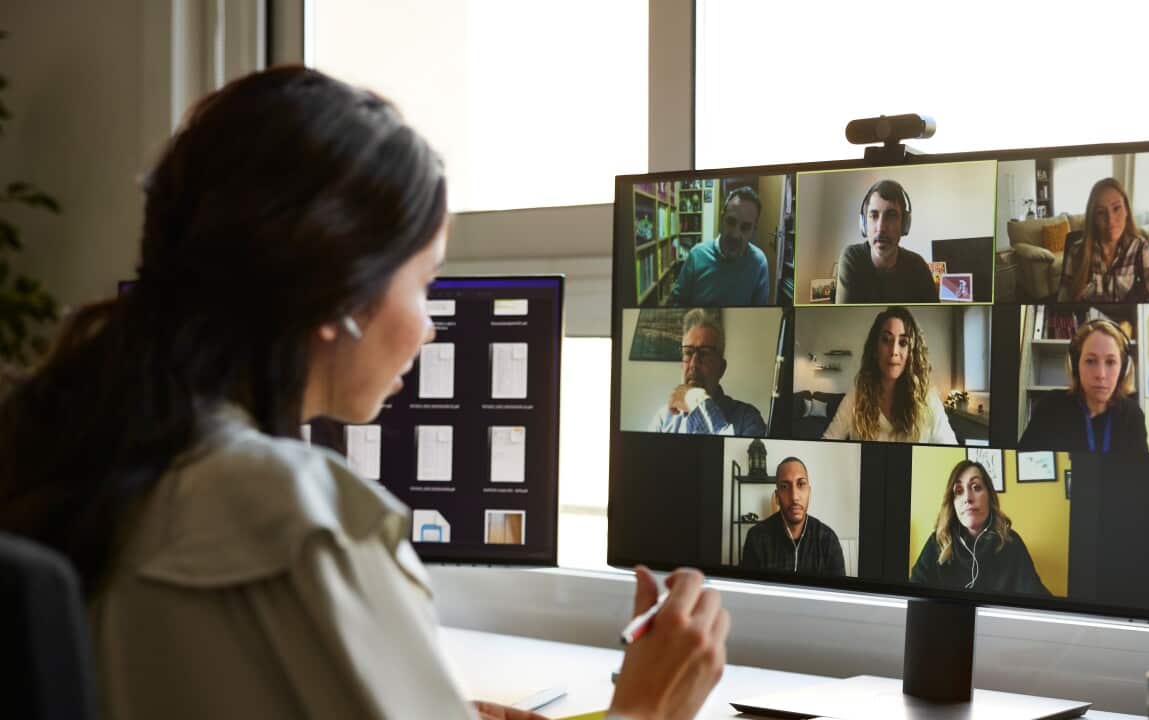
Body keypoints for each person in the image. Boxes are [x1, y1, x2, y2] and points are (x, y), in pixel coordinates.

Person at [0, 67, 729, 720]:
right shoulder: (299, 520)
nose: (430, 327)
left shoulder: (79, 464)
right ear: (339, 299)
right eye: (425, 283)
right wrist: (646, 708)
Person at [909, 460, 1050, 596]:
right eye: (959, 491)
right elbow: (914, 594)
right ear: (952, 503)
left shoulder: (1011, 542)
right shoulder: (939, 541)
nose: (967, 498)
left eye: (976, 487)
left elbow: (1034, 595)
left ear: (989, 497)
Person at [821, 306, 957, 444]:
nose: (894, 351)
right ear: (875, 349)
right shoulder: (857, 396)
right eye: (886, 340)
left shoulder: (928, 399)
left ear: (912, 353)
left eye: (903, 343)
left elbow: (951, 449)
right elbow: (827, 442)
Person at [1019, 318, 1149, 454]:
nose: (1101, 374)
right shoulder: (1050, 406)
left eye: (1110, 362)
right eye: (1090, 361)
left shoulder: (1132, 415)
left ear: (1123, 369)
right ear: (1076, 366)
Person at [648, 308, 767, 436]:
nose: (694, 364)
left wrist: (698, 402)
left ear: (721, 368)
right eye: (688, 353)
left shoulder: (748, 419)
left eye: (705, 353)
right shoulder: (663, 420)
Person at [1058, 178, 1149, 302]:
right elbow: (1063, 299)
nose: (1110, 220)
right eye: (1100, 212)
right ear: (1093, 219)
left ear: (1126, 210)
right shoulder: (1076, 251)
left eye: (1116, 208)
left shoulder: (1140, 247)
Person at [835, 179, 937, 304]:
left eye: (891, 216)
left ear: (904, 224)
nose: (881, 227)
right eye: (874, 216)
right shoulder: (852, 258)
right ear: (864, 224)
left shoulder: (918, 266)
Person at [740, 457, 845, 576]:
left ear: (809, 492)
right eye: (785, 486)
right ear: (777, 497)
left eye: (801, 484)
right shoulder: (756, 538)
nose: (794, 497)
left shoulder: (828, 540)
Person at [670, 186, 771, 306]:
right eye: (731, 222)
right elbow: (677, 303)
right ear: (722, 219)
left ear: (754, 230)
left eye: (745, 227)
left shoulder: (759, 263)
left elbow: (759, 312)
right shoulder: (697, 255)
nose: (735, 234)